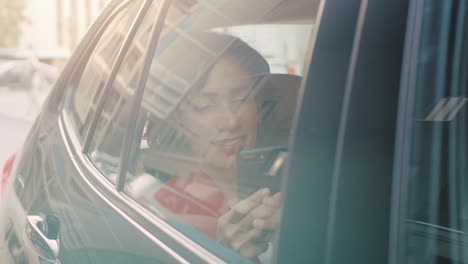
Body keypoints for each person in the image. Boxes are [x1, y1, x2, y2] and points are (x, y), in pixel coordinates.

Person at [143, 33, 283, 260]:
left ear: (259, 106)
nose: (230, 121)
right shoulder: (167, 209)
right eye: (204, 105)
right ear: (178, 122)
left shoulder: (304, 178)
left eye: (240, 99)